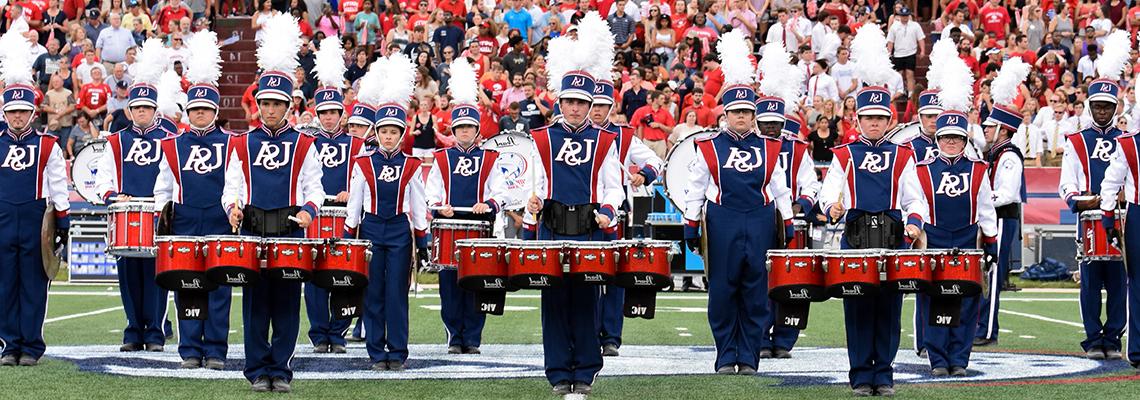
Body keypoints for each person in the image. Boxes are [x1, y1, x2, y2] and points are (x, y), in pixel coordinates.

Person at [815, 26, 929, 397]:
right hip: (856, 237)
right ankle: (862, 374)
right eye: (869, 118)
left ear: (890, 120)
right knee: (858, 309)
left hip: (894, 238)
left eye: (881, 117)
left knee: (889, 309)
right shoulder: (844, 155)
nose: (875, 123)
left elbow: (916, 200)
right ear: (858, 120)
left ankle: (886, 372)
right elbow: (829, 191)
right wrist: (830, 205)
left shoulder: (903, 155)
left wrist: (914, 224)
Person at [221, 15, 324, 393]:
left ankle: (279, 370)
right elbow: (231, 184)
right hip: (251, 228)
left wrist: (308, 212)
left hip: (288, 230)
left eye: (276, 104)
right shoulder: (241, 142)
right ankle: (256, 370)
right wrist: (232, 206)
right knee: (253, 306)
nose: (269, 109)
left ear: (288, 106)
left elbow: (315, 188)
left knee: (285, 303)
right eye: (264, 103)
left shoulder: (305, 143)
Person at [682, 30, 794, 376]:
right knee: (722, 291)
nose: (742, 117)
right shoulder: (709, 145)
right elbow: (695, 187)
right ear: (725, 114)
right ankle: (724, 354)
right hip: (722, 218)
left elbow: (780, 189)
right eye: (736, 112)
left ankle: (749, 357)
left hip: (760, 218)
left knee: (755, 292)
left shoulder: (772, 147)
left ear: (755, 114)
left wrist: (787, 222)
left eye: (747, 112)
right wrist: (689, 223)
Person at [522, 31, 624, 397]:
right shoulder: (540, 138)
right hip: (551, 227)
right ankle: (557, 372)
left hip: (588, 229)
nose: (577, 109)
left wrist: (609, 212)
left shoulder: (606, 140)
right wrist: (531, 206)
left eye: (582, 102)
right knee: (552, 302)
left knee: (585, 300)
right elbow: (533, 184)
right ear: (559, 102)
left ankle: (585, 369)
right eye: (570, 102)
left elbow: (614, 187)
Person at [152, 31, 231, 371]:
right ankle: (189, 349)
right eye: (195, 109)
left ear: (214, 111)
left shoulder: (232, 144)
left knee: (218, 288)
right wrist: (160, 215)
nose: (200, 114)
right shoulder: (172, 144)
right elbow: (163, 186)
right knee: (187, 285)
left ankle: (215, 349)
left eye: (205, 109)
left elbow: (236, 183)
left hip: (218, 218)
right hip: (184, 219)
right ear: (188, 111)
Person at [344, 53, 428, 372]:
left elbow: (418, 205)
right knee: (373, 292)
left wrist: (423, 237)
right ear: (376, 133)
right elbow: (355, 202)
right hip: (370, 229)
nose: (389, 136)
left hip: (398, 231)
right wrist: (348, 233)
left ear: (401, 133)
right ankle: (376, 351)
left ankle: (399, 350)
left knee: (396, 293)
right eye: (384, 131)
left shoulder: (412, 165)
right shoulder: (363, 163)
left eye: (394, 131)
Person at [94, 39, 176, 354]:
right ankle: (133, 330)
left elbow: (174, 178)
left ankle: (155, 332)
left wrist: (164, 203)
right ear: (129, 110)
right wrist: (115, 195)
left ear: (155, 110)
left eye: (147, 108)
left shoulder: (170, 139)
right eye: (137, 107)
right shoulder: (116, 141)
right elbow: (103, 178)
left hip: (157, 217)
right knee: (128, 277)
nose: (141, 112)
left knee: (157, 277)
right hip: (127, 217)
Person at [425, 58, 507, 355]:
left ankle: (472, 336)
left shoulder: (491, 157)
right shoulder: (442, 157)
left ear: (476, 129)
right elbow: (431, 189)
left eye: (469, 127)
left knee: (476, 283)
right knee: (449, 285)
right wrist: (438, 206)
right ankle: (453, 335)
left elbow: (499, 190)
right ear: (453, 129)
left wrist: (488, 204)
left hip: (478, 228)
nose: (463, 132)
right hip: (449, 227)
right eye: (459, 127)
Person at [0, 29, 71, 367]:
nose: (16, 117)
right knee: (3, 285)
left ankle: (31, 345)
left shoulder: (47, 144)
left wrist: (64, 223)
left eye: (22, 112)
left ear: (32, 113)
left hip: (34, 220)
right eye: (12, 111)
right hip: (1, 218)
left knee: (33, 284)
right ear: (4, 111)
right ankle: (8, 344)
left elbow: (58, 186)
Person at [589, 60, 664, 358]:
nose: (595, 110)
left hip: (615, 215)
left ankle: (611, 336)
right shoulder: (567, 135)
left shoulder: (623, 136)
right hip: (578, 215)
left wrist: (642, 174)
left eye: (601, 105)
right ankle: (587, 332)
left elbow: (654, 162)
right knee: (585, 277)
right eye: (591, 104)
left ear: (611, 108)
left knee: (614, 277)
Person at [916, 108, 998, 378]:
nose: (951, 142)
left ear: (965, 140)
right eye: (946, 137)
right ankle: (938, 359)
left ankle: (959, 359)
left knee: (967, 302)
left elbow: (986, 208)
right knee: (934, 302)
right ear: (937, 138)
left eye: (956, 137)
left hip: (968, 241)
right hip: (933, 240)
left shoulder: (978, 169)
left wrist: (991, 242)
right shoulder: (921, 170)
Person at [1059, 77, 1127, 361]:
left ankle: (1112, 338)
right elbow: (1066, 185)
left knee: (1118, 282)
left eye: (1107, 107)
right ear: (1089, 106)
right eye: (1097, 106)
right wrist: (1084, 199)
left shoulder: (1126, 140)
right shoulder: (1076, 141)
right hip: (1089, 218)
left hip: (1122, 220)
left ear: (1115, 108)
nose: (1102, 111)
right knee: (1089, 284)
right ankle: (1092, 339)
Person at [304, 38, 363, 355]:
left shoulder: (356, 144)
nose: (328, 118)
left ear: (342, 113)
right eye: (323, 112)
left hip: (344, 217)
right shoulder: (305, 141)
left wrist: (350, 193)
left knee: (343, 274)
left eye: (333, 112)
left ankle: (338, 333)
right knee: (313, 276)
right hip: (314, 215)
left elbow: (365, 181)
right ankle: (318, 334)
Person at [974, 97, 1027, 347]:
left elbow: (1006, 194)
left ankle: (987, 331)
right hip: (992, 216)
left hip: (1003, 217)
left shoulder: (1009, 157)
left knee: (993, 273)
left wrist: (978, 200)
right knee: (984, 271)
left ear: (1003, 129)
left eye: (990, 125)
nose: (985, 129)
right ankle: (981, 326)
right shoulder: (995, 153)